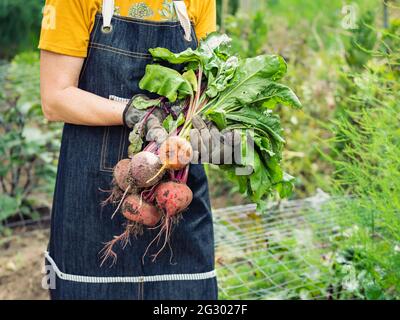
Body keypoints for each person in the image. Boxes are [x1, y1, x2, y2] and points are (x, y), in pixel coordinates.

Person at [39, 0, 224, 300]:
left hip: (172, 190)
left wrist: (196, 131)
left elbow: (204, 83)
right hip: (94, 191)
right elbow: (55, 97)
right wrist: (132, 112)